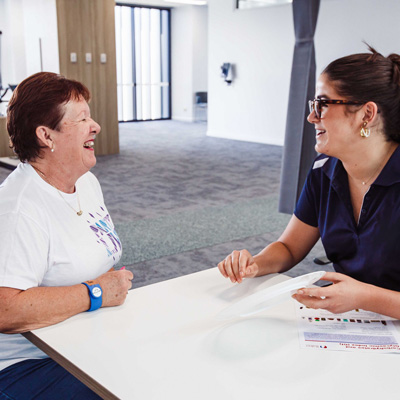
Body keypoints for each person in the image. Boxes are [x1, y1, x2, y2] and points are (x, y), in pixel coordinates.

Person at [218, 46, 400, 320]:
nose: (311, 117)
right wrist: (254, 264)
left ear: (367, 114)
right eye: (314, 105)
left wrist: (364, 296)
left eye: (323, 104)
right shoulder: (324, 172)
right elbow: (290, 248)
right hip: (356, 321)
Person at [0, 72, 133, 399]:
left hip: (83, 337)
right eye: (82, 119)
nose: (96, 126)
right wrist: (97, 292)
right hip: (28, 364)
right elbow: (6, 310)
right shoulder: (20, 209)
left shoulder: (85, 183)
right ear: (47, 135)